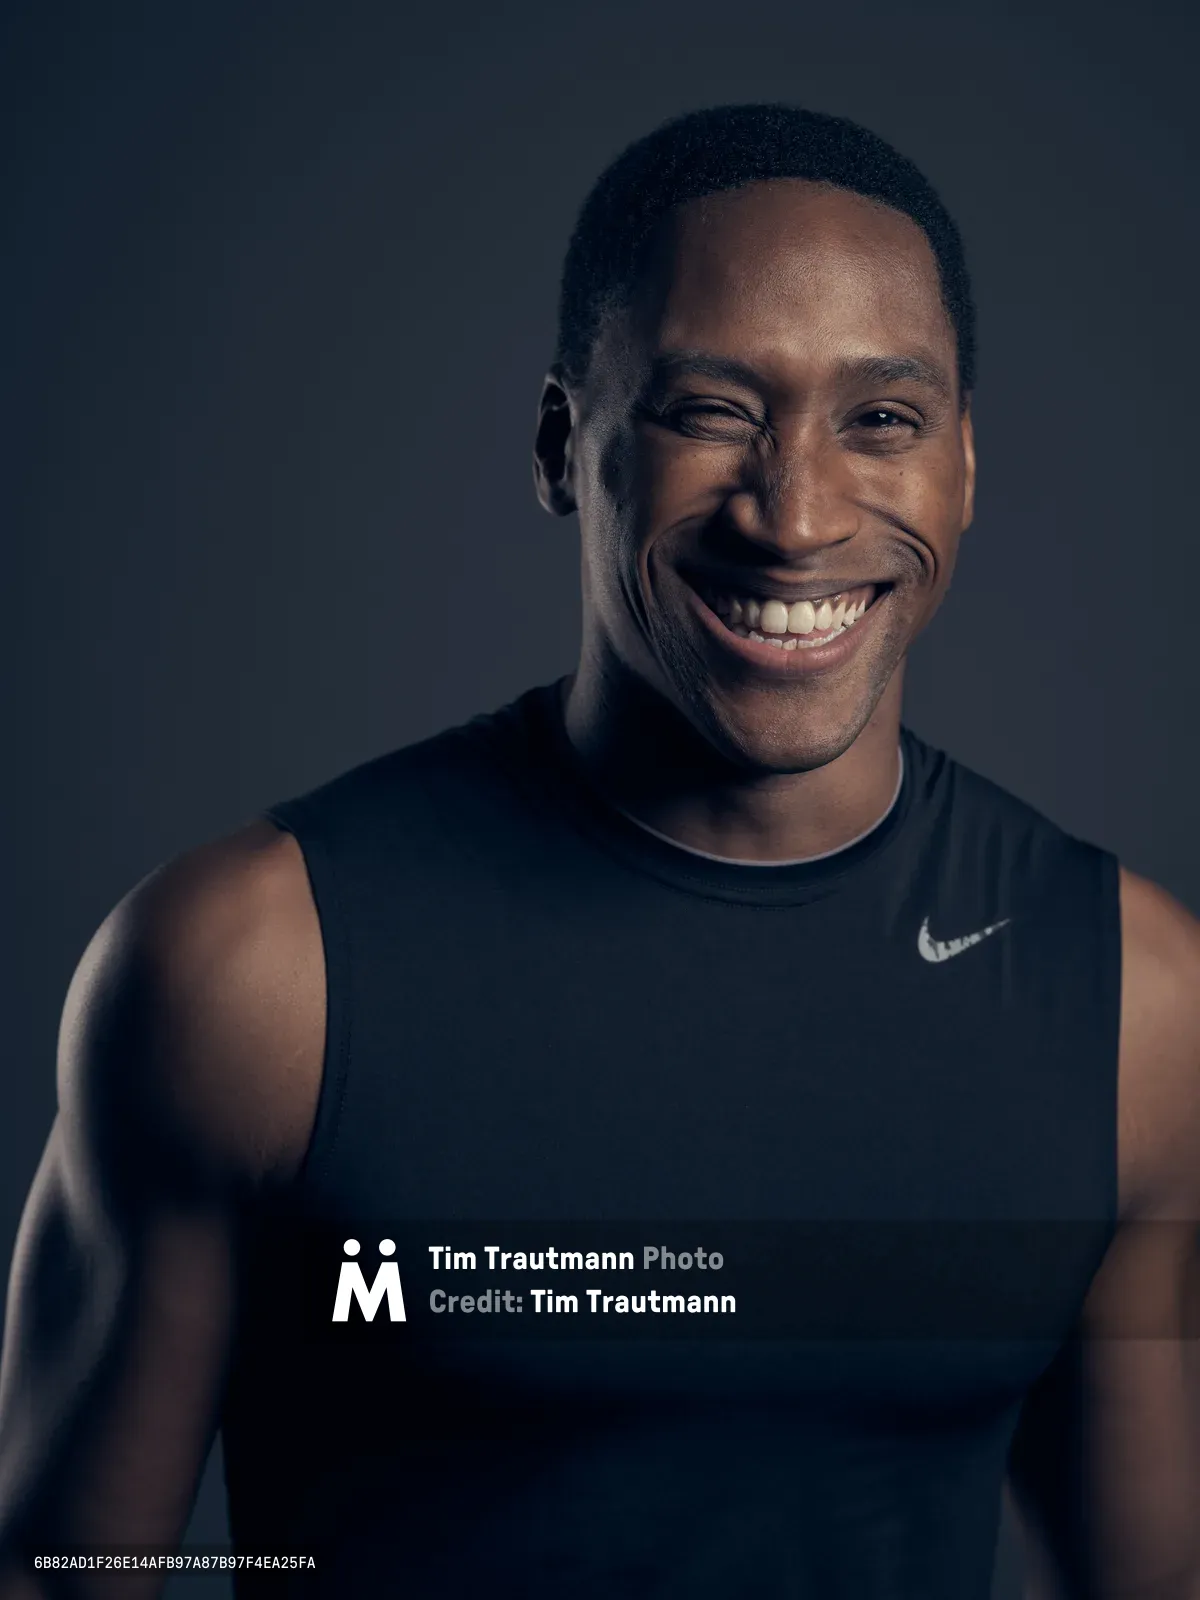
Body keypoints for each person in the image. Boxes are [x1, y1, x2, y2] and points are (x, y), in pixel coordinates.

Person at [0, 102, 1197, 1599]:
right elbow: (67, 1569)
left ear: (961, 464)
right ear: (567, 446)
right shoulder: (252, 970)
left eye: (879, 420)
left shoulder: (1134, 1004)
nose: (797, 513)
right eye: (710, 411)